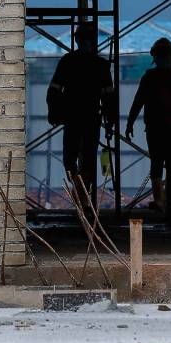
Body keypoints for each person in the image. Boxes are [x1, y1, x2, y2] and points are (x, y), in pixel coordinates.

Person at [124, 38, 171, 228]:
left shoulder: (153, 77)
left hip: (163, 130)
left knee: (161, 167)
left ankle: (166, 205)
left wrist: (130, 123)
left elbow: (138, 102)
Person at [46, 22, 115, 205]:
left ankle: (80, 192)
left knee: (71, 158)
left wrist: (54, 112)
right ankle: (83, 195)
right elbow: (108, 97)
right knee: (87, 157)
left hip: (73, 117)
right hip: (89, 116)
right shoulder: (100, 65)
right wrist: (110, 120)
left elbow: (54, 90)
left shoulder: (69, 61)